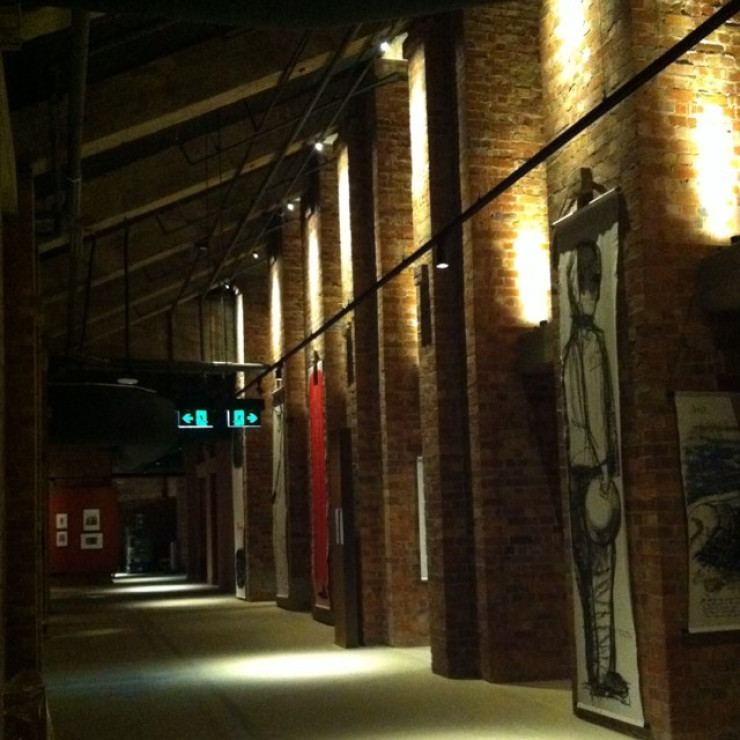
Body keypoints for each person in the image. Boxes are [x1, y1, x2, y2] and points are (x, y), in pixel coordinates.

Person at [562, 239, 629, 703]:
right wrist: (606, 465)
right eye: (588, 285)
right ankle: (602, 669)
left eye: (595, 285)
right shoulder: (587, 346)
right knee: (601, 579)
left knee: (592, 580)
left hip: (579, 473)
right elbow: (593, 415)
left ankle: (599, 666)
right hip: (594, 475)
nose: (592, 294)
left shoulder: (573, 346)